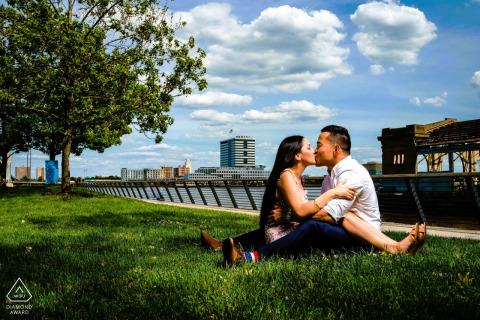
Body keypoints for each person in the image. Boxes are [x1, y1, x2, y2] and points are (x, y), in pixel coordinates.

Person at [220, 125, 426, 264]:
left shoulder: (352, 174)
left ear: (335, 149)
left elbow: (327, 216)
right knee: (292, 226)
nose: (316, 151)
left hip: (363, 238)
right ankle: (223, 245)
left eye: (318, 145)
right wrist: (297, 215)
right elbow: (321, 210)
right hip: (341, 230)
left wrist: (295, 214)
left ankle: (250, 257)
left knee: (314, 225)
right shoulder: (329, 177)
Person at [202, 134, 356, 257]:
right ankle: (249, 256)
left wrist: (288, 216)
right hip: (280, 234)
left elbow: (300, 211)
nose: (315, 150)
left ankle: (221, 245)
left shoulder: (299, 177)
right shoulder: (287, 175)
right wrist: (333, 192)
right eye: (309, 147)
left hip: (284, 228)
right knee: (313, 227)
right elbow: (302, 211)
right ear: (297, 156)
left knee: (314, 227)